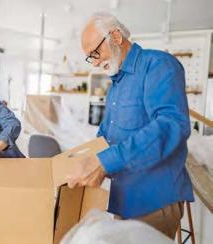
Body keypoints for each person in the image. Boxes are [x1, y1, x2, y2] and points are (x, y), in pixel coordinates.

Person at [66, 12, 194, 239]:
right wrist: (84, 159)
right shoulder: (117, 83)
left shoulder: (158, 65)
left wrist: (105, 162)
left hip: (154, 200)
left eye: (95, 53)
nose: (95, 63)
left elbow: (171, 125)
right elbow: (107, 134)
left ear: (115, 37)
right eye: (90, 58)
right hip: (123, 200)